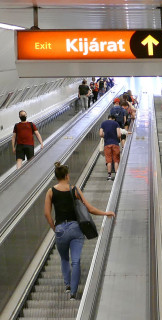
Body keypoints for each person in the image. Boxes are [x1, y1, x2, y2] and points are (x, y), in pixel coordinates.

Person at [43, 161, 115, 300]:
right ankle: (73, 293)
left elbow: (47, 213)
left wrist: (55, 228)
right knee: (75, 261)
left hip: (60, 229)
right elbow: (89, 208)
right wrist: (106, 213)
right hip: (75, 228)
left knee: (64, 259)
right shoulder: (74, 190)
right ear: (67, 176)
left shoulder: (51, 191)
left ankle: (68, 285)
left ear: (57, 176)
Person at [100, 113, 123, 180]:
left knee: (109, 160)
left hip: (107, 144)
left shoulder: (103, 123)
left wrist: (106, 136)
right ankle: (116, 174)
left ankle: (109, 176)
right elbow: (119, 135)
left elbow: (101, 134)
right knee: (116, 160)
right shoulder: (116, 124)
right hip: (115, 143)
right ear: (114, 118)